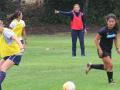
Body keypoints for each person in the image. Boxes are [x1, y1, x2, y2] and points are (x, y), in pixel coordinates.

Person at [86, 13, 120, 84]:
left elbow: (116, 39)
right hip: (102, 50)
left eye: (112, 21)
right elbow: (95, 40)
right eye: (109, 21)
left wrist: (117, 48)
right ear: (107, 21)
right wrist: (99, 49)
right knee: (110, 65)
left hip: (108, 50)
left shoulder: (115, 30)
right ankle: (111, 82)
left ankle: (91, 66)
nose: (111, 23)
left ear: (115, 22)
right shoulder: (103, 30)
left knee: (106, 67)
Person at [0, 20, 24, 90]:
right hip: (8, 55)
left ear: (1, 25)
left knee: (3, 68)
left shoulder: (6, 31)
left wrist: (21, 47)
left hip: (16, 53)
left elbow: (15, 38)